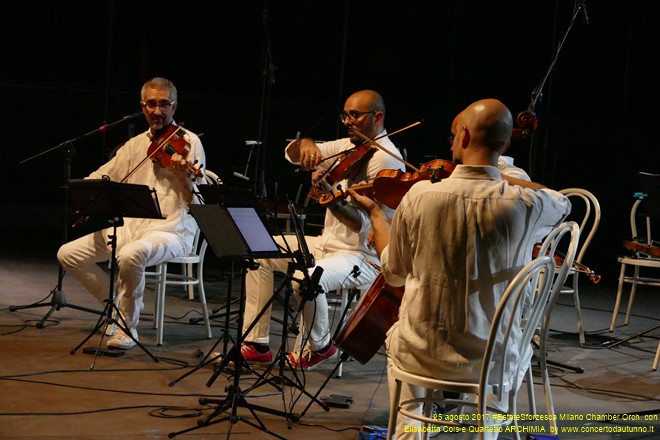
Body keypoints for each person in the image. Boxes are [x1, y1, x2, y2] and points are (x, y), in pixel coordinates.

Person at [350, 98, 571, 439]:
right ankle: (488, 431)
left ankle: (410, 432)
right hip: (494, 359)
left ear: (465, 136)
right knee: (506, 356)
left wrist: (378, 216)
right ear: (506, 144)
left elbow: (393, 273)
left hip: (422, 353)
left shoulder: (421, 196)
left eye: (454, 136)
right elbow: (563, 201)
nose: (451, 144)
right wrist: (504, 175)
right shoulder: (526, 203)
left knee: (401, 345)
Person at [239, 89, 404, 369]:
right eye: (346, 115)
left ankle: (320, 346)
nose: (348, 121)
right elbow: (290, 154)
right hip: (327, 245)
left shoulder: (385, 161)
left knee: (305, 280)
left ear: (377, 117)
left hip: (362, 256)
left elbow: (363, 223)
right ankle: (257, 343)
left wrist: (329, 199)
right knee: (259, 251)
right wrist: (306, 145)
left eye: (356, 115)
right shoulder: (349, 147)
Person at [58, 77, 206, 350]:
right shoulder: (135, 145)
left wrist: (182, 177)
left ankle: (128, 327)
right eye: (151, 104)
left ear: (174, 106)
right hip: (131, 228)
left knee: (130, 255)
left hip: (172, 231)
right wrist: (85, 192)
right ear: (142, 106)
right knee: (67, 254)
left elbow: (196, 203)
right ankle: (114, 306)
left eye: (164, 104)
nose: (157, 111)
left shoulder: (189, 143)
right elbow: (105, 175)